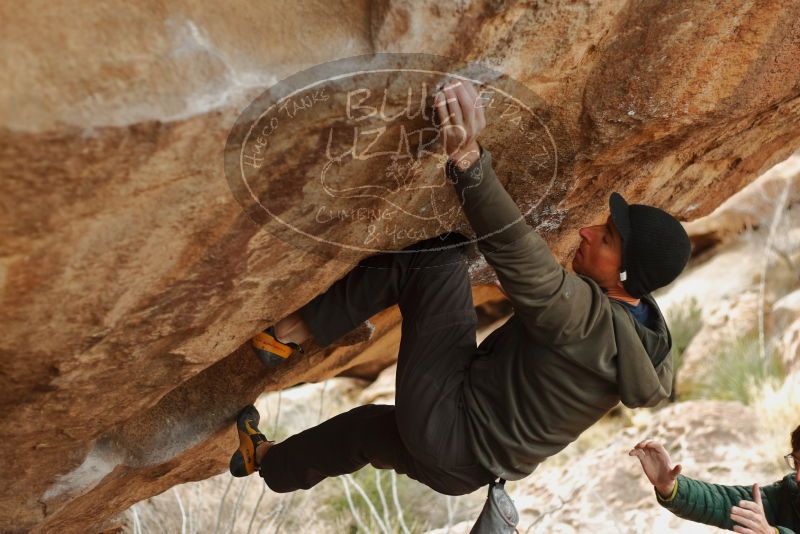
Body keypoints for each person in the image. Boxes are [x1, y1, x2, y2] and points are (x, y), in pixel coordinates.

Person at [228, 79, 692, 497]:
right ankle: (267, 462)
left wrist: (467, 156)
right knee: (364, 430)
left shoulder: (589, 322)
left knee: (438, 258)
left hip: (449, 428)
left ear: (625, 276)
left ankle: (288, 333)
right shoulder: (647, 336)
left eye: (606, 238)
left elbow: (518, 251)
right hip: (468, 471)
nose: (588, 231)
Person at [629, 426, 800, 533]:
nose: (798, 476)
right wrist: (670, 487)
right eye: (797, 462)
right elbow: (720, 502)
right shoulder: (789, 495)